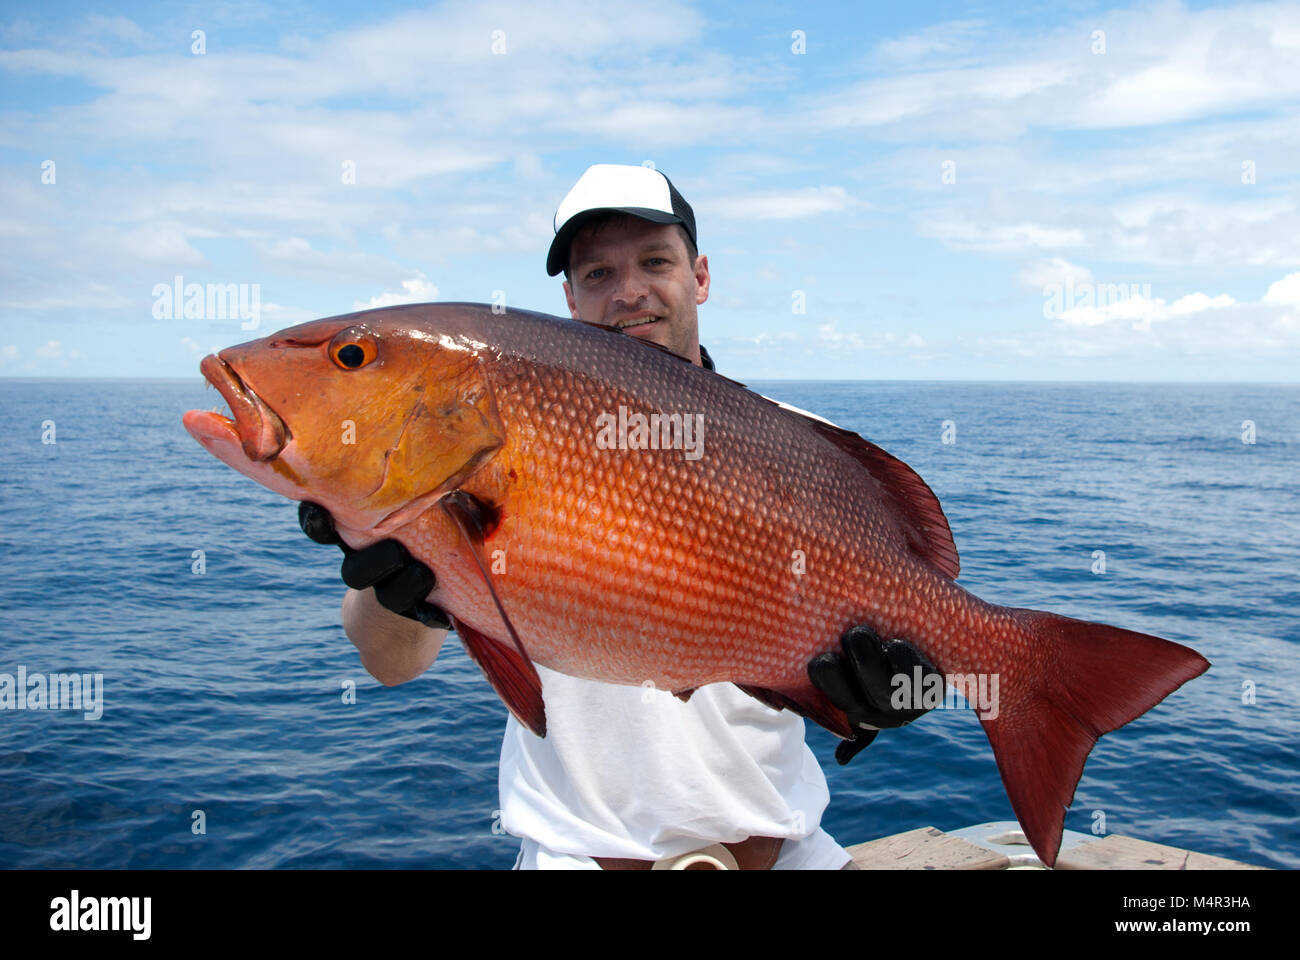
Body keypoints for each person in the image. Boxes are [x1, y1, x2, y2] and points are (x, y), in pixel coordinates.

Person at [298, 164, 941, 870]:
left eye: (654, 262)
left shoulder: (801, 446)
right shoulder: (491, 447)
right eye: (598, 274)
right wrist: (408, 597)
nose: (629, 291)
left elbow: (906, 626)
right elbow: (390, 666)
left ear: (699, 277)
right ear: (571, 300)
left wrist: (902, 691)